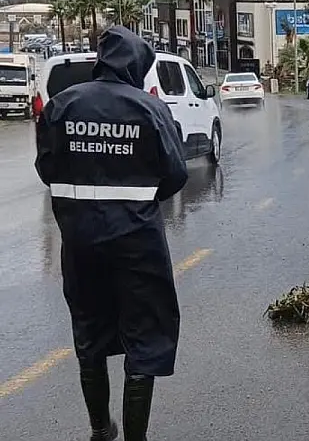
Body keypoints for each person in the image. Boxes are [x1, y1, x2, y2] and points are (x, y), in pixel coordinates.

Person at [35, 26, 188, 441]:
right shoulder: (150, 108)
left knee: (89, 331)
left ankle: (101, 430)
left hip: (80, 241)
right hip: (137, 242)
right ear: (138, 64)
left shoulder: (62, 105)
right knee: (145, 335)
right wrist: (135, 199)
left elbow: (46, 170)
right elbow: (175, 174)